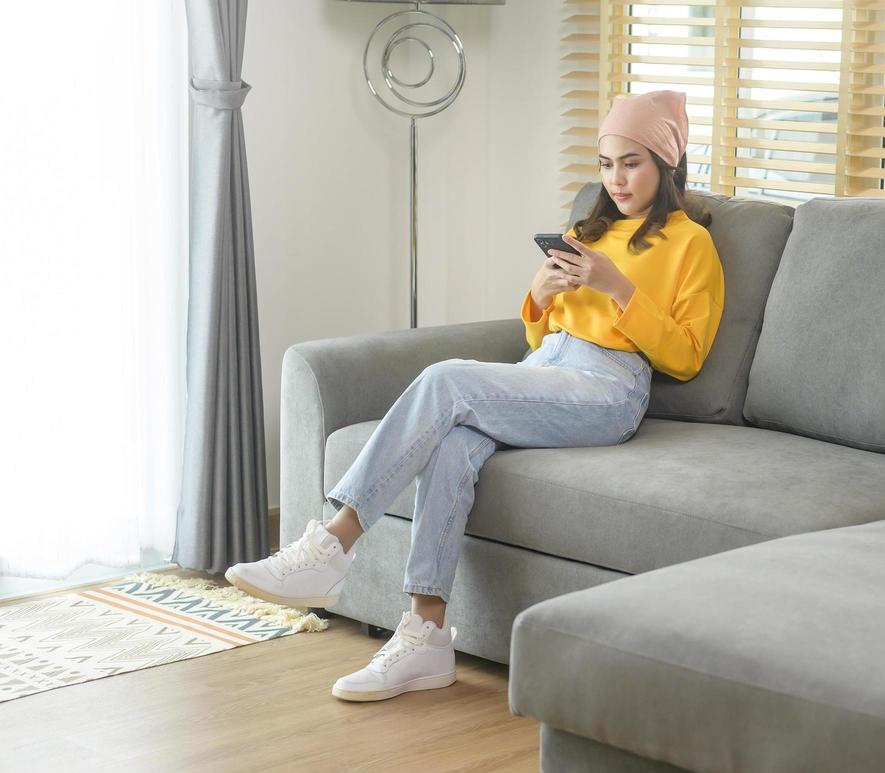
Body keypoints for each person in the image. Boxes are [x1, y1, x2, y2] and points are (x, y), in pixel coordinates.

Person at [225, 89, 726, 702]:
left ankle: (332, 543)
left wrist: (619, 287)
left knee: (446, 379)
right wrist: (541, 297)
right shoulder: (587, 230)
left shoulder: (690, 244)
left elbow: (686, 355)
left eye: (632, 162)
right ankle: (426, 635)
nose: (615, 178)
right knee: (454, 442)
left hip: (609, 388)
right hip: (547, 366)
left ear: (665, 163)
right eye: (605, 163)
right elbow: (541, 336)